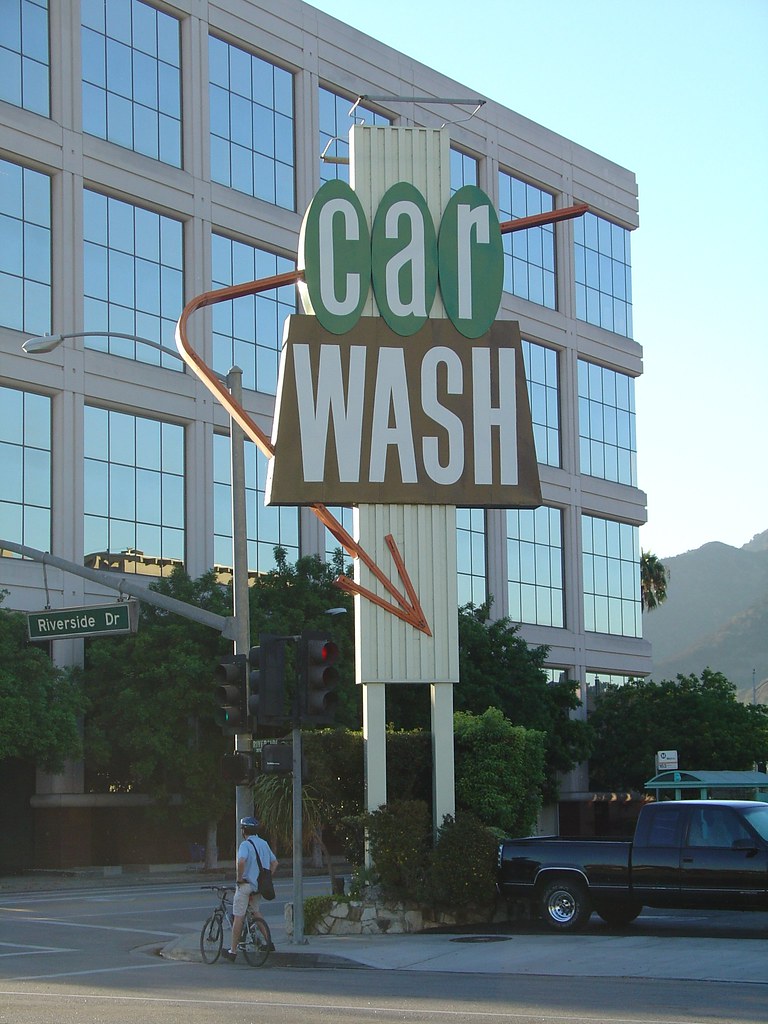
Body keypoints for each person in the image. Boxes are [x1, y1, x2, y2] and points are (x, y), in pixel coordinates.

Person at [223, 816, 278, 962]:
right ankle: (269, 942)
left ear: (243, 831)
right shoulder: (264, 843)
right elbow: (275, 863)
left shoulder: (245, 845)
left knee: (238, 916)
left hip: (246, 886)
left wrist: (240, 878)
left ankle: (233, 951)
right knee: (256, 912)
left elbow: (241, 861)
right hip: (258, 887)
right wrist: (266, 879)